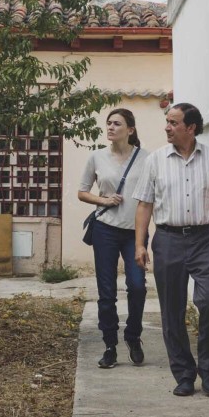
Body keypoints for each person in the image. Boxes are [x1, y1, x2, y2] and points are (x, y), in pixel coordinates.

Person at [132, 103, 209, 397]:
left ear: (190, 128)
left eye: (173, 122)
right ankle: (183, 374)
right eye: (166, 122)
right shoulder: (155, 161)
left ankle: (208, 370)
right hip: (168, 240)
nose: (167, 127)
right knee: (172, 310)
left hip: (204, 238)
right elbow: (144, 204)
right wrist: (140, 244)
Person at [77, 108, 148, 369]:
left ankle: (133, 336)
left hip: (135, 232)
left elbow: (152, 196)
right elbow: (82, 192)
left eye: (116, 124)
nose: (110, 127)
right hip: (105, 229)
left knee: (138, 286)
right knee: (107, 293)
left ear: (130, 130)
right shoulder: (96, 157)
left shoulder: (146, 158)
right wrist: (103, 200)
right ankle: (109, 345)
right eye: (108, 123)